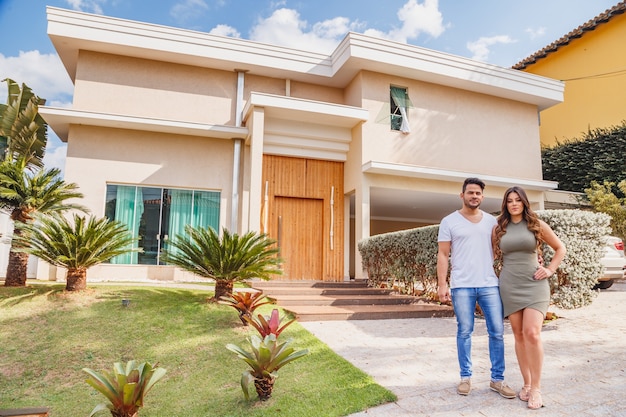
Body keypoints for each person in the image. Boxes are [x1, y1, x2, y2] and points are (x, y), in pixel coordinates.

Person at [437, 177, 515, 399]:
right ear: (462, 195)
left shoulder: (492, 222)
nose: (474, 196)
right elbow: (443, 254)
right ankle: (465, 377)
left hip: (489, 284)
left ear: (482, 196)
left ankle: (497, 380)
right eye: (470, 193)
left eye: (478, 193)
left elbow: (500, 249)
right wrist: (442, 284)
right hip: (461, 285)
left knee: (497, 333)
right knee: (464, 331)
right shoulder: (449, 221)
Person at [492, 186, 566, 410]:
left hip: (535, 284)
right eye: (509, 201)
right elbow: (493, 256)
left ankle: (536, 388)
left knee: (532, 333)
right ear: (505, 204)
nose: (514, 204)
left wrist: (550, 269)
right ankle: (525, 383)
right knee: (519, 335)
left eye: (518, 200)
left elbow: (560, 248)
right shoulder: (499, 227)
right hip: (509, 284)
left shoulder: (536, 224)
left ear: (524, 202)